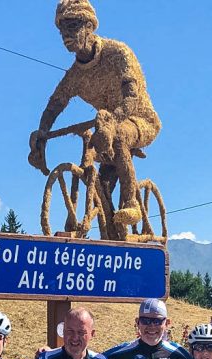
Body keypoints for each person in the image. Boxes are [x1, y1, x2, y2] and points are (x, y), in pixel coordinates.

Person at [28, 0, 161, 231]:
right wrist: (42, 133)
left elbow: (132, 96)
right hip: (104, 128)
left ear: (89, 26)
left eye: (72, 26)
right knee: (103, 188)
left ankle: (132, 204)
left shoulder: (118, 54)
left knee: (118, 136)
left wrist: (113, 120)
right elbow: (55, 105)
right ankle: (108, 227)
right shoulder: (75, 76)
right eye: (61, 29)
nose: (65, 35)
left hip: (140, 121)